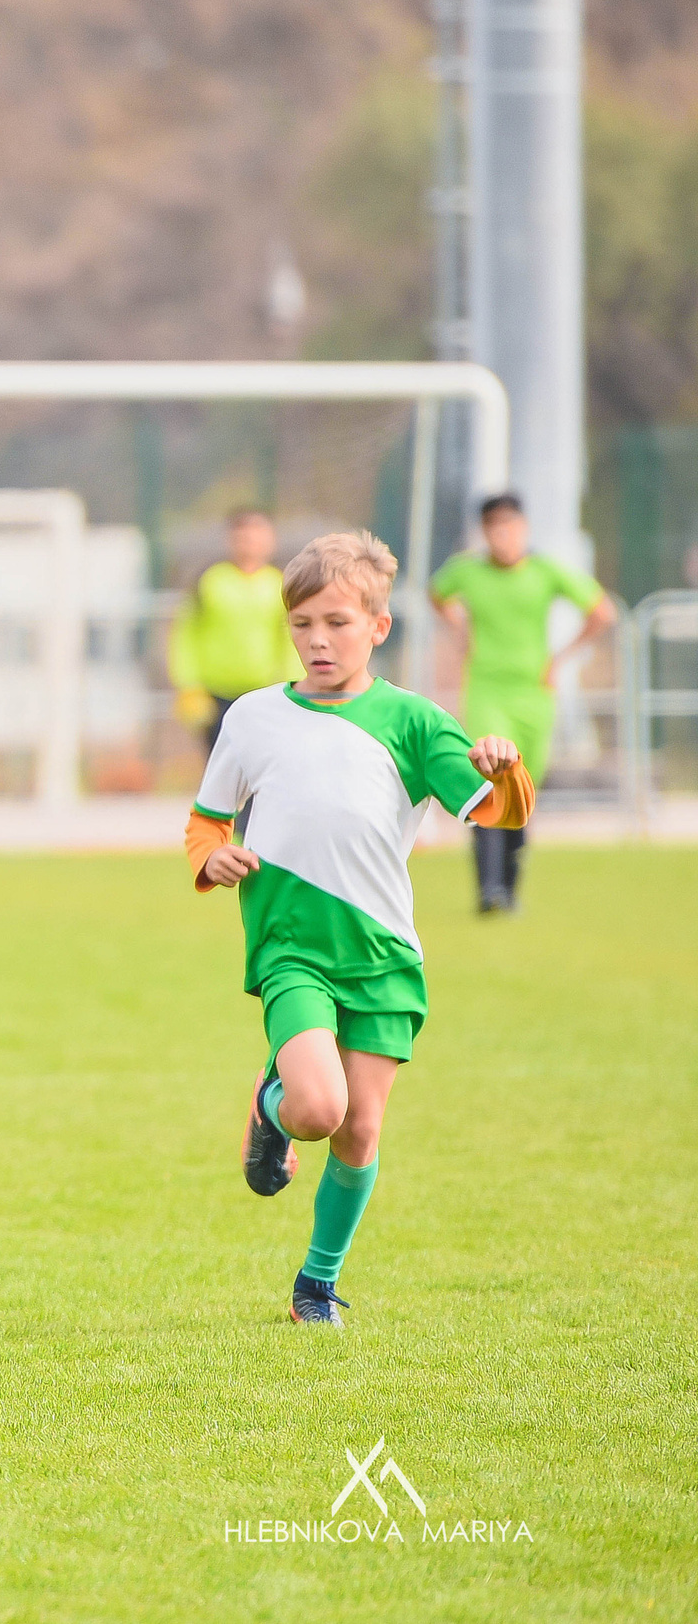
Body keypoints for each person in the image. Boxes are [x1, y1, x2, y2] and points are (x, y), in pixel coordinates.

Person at [186, 531, 530, 1327]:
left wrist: (505, 766)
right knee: (317, 1108)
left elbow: (500, 812)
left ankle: (316, 1284)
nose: (317, 640)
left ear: (378, 626)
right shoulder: (254, 717)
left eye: (337, 622)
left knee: (360, 1129)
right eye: (302, 623)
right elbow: (206, 821)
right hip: (292, 946)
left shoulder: (414, 721)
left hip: (383, 954)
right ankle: (275, 1105)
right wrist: (213, 857)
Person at [429, 494, 617, 913]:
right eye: (494, 527)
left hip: (533, 695)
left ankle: (510, 890)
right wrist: (461, 631)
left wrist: (561, 659)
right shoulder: (467, 571)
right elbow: (437, 595)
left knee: (522, 789)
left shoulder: (545, 571)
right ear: (484, 532)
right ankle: (489, 890)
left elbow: (602, 611)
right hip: (486, 690)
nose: (503, 536)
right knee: (486, 777)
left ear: (523, 528)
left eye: (510, 526)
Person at [168, 507, 300, 755]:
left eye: (256, 537)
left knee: (260, 762)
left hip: (263, 692)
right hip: (214, 695)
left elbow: (291, 641)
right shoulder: (209, 581)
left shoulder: (281, 585)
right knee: (220, 764)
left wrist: (293, 685)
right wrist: (188, 685)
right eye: (243, 537)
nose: (249, 544)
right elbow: (185, 635)